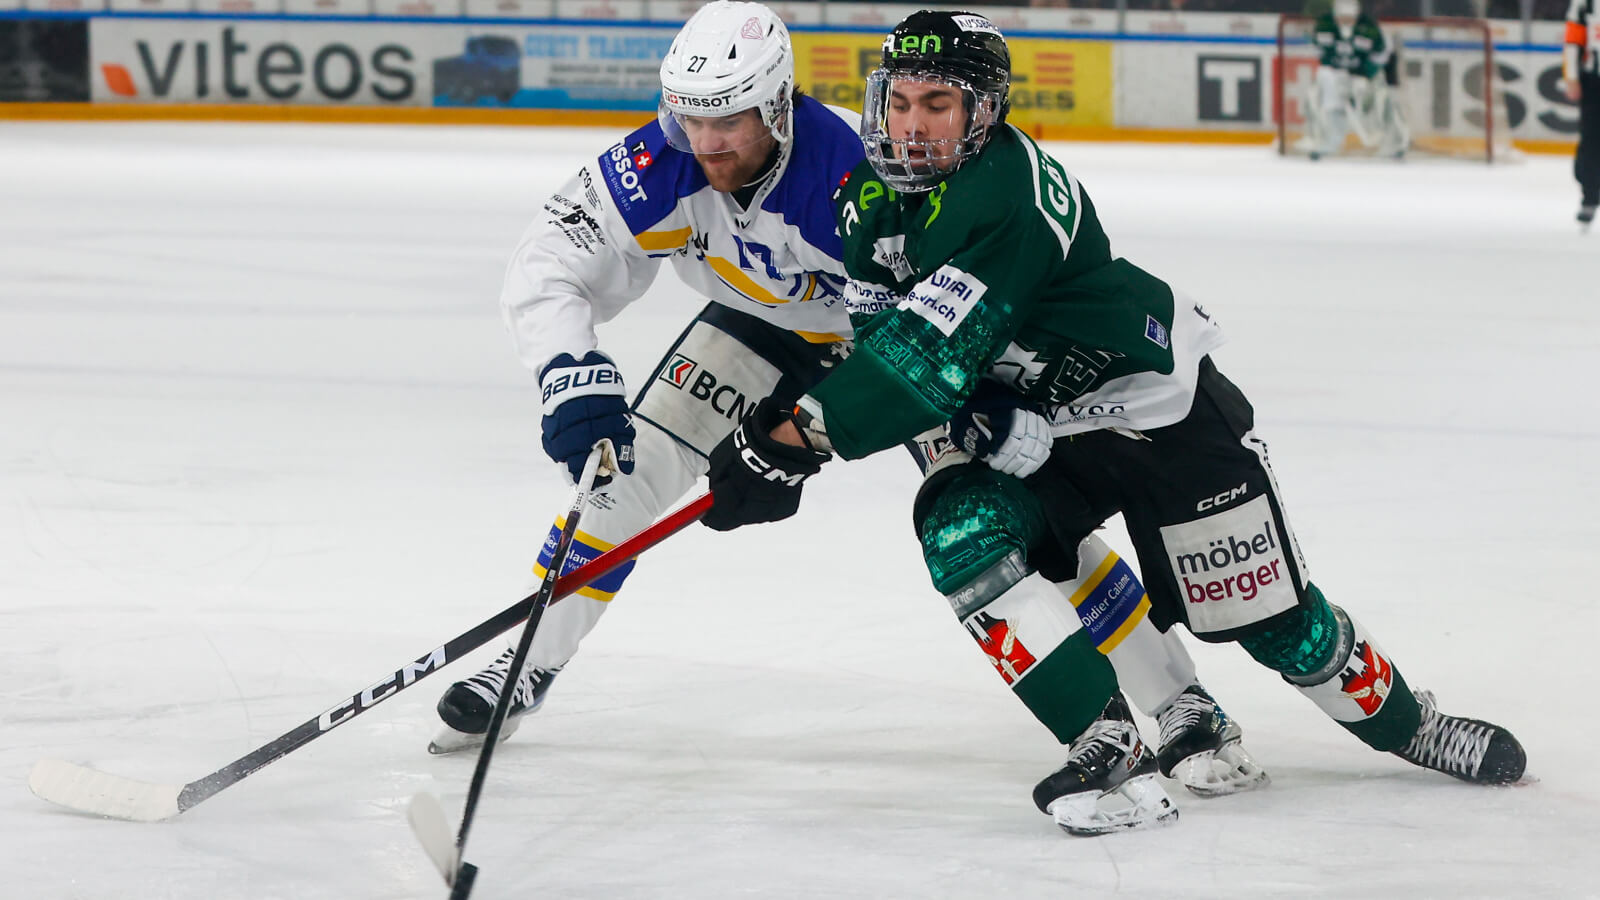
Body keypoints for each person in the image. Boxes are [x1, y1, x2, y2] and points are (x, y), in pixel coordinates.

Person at [430, 0, 1267, 832]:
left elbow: (936, 326)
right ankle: (527, 661)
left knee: (1025, 525)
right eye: (689, 119)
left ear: (779, 103)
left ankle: (1179, 699)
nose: (706, 142)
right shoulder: (659, 162)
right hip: (755, 324)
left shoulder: (849, 177)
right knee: (626, 473)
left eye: (729, 119)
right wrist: (568, 371)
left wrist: (973, 409)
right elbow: (549, 258)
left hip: (888, 350)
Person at [702, 9, 1527, 829]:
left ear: (982, 112)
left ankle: (1410, 724)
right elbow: (888, 335)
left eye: (939, 105)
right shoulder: (870, 201)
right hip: (1052, 431)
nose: (911, 127)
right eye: (902, 101)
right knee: (962, 532)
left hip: (1158, 412)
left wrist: (788, 439)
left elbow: (921, 360)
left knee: (1274, 627)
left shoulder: (1004, 195)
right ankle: (1106, 741)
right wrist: (978, 404)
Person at [1305, 0, 1408, 160]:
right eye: (1342, 17)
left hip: (1366, 77)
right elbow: (1320, 54)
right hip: (1337, 76)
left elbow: (1381, 56)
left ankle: (1393, 141)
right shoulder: (1325, 26)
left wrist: (1365, 76)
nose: (1346, 21)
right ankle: (1325, 140)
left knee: (1382, 102)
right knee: (1321, 91)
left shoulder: (1369, 28)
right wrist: (1337, 73)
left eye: (1349, 17)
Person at [1564, 0, 1599, 228]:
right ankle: (1590, 196)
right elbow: (1572, 41)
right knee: (1592, 139)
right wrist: (1571, 76)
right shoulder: (1585, 3)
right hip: (1594, 81)